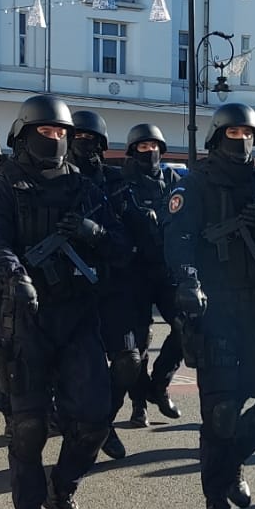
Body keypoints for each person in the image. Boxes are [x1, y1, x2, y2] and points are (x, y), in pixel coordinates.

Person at [0, 95, 128, 509]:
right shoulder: (0, 186)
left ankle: (62, 489)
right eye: (46, 132)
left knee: (95, 418)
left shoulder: (85, 188)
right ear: (23, 136)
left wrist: (93, 232)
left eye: (61, 133)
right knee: (27, 428)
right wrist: (14, 273)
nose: (55, 139)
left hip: (78, 317)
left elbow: (120, 247)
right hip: (24, 318)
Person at [164, 103, 255, 509]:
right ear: (216, 136)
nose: (241, 138)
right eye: (233, 131)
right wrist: (187, 282)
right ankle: (216, 500)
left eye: (248, 132)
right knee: (220, 413)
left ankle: (230, 464)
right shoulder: (196, 185)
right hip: (215, 309)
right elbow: (177, 238)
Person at [67, 110, 142, 462]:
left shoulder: (117, 182)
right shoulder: (54, 181)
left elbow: (130, 239)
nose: (86, 146)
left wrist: (96, 233)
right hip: (66, 292)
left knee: (128, 362)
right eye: (79, 138)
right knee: (80, 371)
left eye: (93, 140)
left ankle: (105, 423)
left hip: (113, 286)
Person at [118, 123, 186, 427]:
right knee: (139, 343)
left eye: (154, 146)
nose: (150, 152)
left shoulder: (175, 181)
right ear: (133, 151)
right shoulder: (122, 183)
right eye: (143, 147)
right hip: (134, 272)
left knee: (187, 326)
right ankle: (138, 404)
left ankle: (159, 385)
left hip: (169, 269)